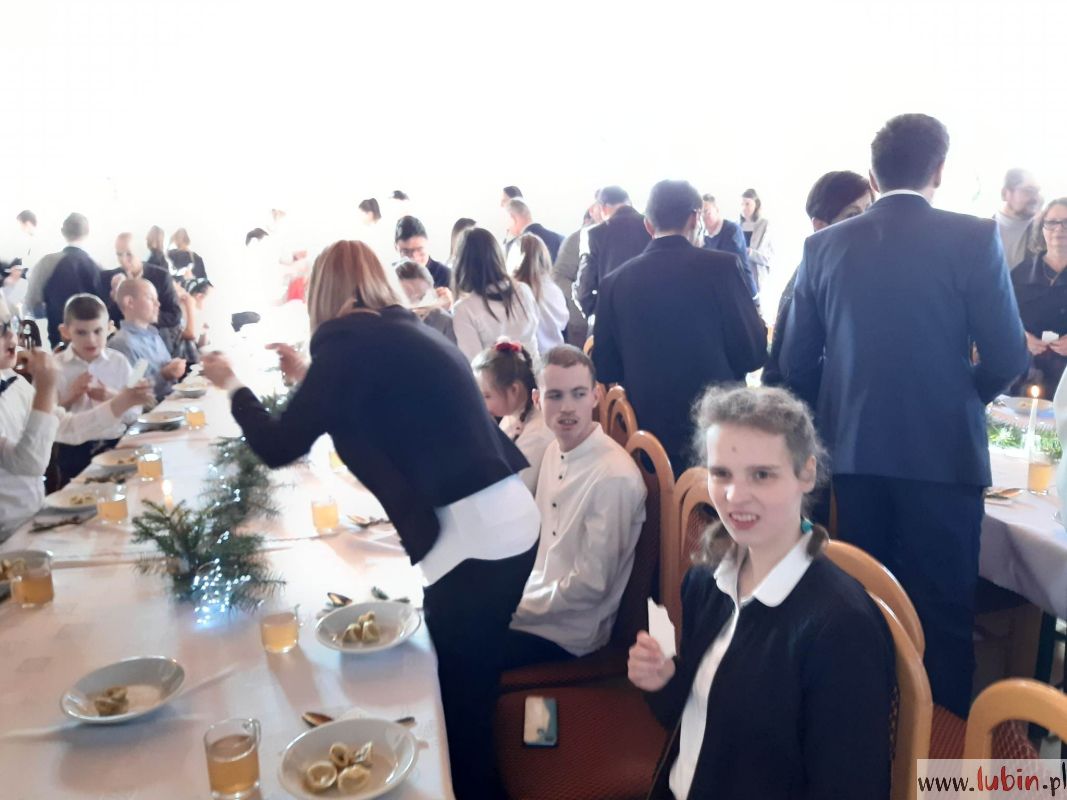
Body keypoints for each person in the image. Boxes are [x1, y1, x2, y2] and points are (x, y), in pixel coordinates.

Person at [199, 240, 540, 799]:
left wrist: (233, 384)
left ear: (323, 294)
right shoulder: (400, 330)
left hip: (474, 540)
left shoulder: (347, 345)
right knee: (469, 688)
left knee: (458, 705)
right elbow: (385, 402)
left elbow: (278, 445)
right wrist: (310, 377)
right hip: (506, 518)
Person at [781, 113, 1029, 717]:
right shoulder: (973, 237)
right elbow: (1008, 358)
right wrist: (958, 396)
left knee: (864, 607)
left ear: (873, 175)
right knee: (943, 617)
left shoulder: (823, 246)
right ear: (939, 170)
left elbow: (794, 363)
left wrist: (840, 412)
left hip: (854, 455)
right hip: (944, 456)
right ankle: (939, 752)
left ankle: (871, 745)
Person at [629, 385, 893, 800]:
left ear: (806, 474)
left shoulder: (840, 628)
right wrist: (665, 682)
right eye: (721, 473)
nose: (735, 496)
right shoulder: (707, 582)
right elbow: (700, 726)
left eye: (762, 475)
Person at [593, 179, 767, 475]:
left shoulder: (614, 282)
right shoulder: (723, 268)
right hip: (718, 439)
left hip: (648, 444)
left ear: (648, 225)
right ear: (695, 218)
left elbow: (607, 368)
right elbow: (753, 355)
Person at [505, 344, 646, 668]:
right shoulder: (553, 450)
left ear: (595, 396)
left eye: (578, 394)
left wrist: (514, 606)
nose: (567, 408)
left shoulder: (613, 477)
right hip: (535, 601)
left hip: (571, 634)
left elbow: (591, 585)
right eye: (555, 396)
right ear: (537, 400)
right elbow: (543, 546)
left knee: (456, 647)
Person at [0, 309, 153, 538]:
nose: (13, 337)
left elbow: (66, 427)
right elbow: (28, 464)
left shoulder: (12, 381)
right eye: (1, 330)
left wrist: (122, 401)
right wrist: (46, 389)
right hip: (6, 531)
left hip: (31, 516)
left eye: (11, 325)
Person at [762, 171, 874, 386]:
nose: (865, 222)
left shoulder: (875, 269)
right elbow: (795, 363)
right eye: (852, 215)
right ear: (820, 226)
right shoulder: (811, 276)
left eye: (869, 210)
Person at [54, 293, 142, 483]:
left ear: (109, 328)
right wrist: (71, 396)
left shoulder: (119, 361)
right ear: (65, 331)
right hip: (74, 451)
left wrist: (112, 397)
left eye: (98, 331)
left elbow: (136, 413)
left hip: (116, 443)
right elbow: (44, 422)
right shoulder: (54, 368)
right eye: (81, 333)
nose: (91, 340)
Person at [473, 339, 553, 493]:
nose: (481, 404)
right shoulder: (511, 416)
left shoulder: (536, 437)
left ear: (513, 390)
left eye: (487, 396)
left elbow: (518, 492)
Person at [451, 227, 541, 364]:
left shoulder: (464, 309)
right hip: (533, 372)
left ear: (461, 264)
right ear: (498, 255)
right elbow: (533, 342)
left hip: (495, 377)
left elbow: (474, 363)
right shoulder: (523, 290)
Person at [1010, 198, 1067, 398]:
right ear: (1042, 228)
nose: (1059, 229)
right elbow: (1000, 317)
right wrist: (1023, 337)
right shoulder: (1020, 273)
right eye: (1051, 222)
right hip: (1025, 372)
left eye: (1066, 222)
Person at [101, 233, 184, 355]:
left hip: (157, 340)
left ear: (140, 252)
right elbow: (106, 317)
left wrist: (145, 316)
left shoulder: (161, 276)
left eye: (129, 254)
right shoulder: (109, 278)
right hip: (125, 343)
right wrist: (116, 297)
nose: (123, 259)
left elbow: (175, 315)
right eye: (119, 254)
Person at [576, 185, 651, 319]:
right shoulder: (651, 227)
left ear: (603, 207)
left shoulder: (594, 234)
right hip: (648, 314)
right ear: (629, 202)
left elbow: (584, 290)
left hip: (611, 317)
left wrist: (597, 312)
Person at [108, 278, 187, 401]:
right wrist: (164, 375)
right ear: (129, 302)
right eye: (151, 298)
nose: (158, 304)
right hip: (151, 410)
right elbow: (131, 390)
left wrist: (173, 367)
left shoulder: (154, 335)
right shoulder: (122, 343)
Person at [37, 213, 108, 348]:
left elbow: (32, 301)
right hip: (94, 338)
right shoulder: (97, 265)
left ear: (62, 232)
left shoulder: (47, 262)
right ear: (88, 232)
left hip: (59, 336)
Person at [551, 204, 600, 347]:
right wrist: (581, 297)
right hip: (580, 320)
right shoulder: (576, 239)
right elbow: (557, 276)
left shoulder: (607, 237)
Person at [511, 233, 568, 353]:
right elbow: (563, 322)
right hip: (555, 355)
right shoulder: (554, 290)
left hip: (526, 356)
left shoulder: (513, 293)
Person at [700, 194, 754, 296]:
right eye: (700, 213)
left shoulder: (732, 230)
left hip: (737, 290)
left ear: (717, 210)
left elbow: (736, 266)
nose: (703, 217)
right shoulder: (702, 235)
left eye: (706, 212)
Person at [394, 260, 456, 343]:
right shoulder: (386, 322)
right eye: (407, 298)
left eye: (421, 297)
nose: (414, 305)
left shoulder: (444, 322)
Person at [995, 168, 1042, 271]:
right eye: (1029, 191)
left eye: (1037, 192)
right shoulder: (982, 233)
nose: (1036, 198)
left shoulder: (1046, 234)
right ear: (1005, 193)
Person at [395, 215, 451, 288]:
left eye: (419, 249)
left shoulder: (446, 275)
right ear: (396, 248)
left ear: (428, 243)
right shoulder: (391, 277)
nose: (414, 258)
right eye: (406, 252)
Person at [739, 188, 774, 292]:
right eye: (742, 204)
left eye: (747, 204)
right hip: (739, 279)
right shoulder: (736, 226)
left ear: (756, 204)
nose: (744, 207)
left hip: (757, 281)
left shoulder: (765, 225)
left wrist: (750, 253)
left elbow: (769, 259)